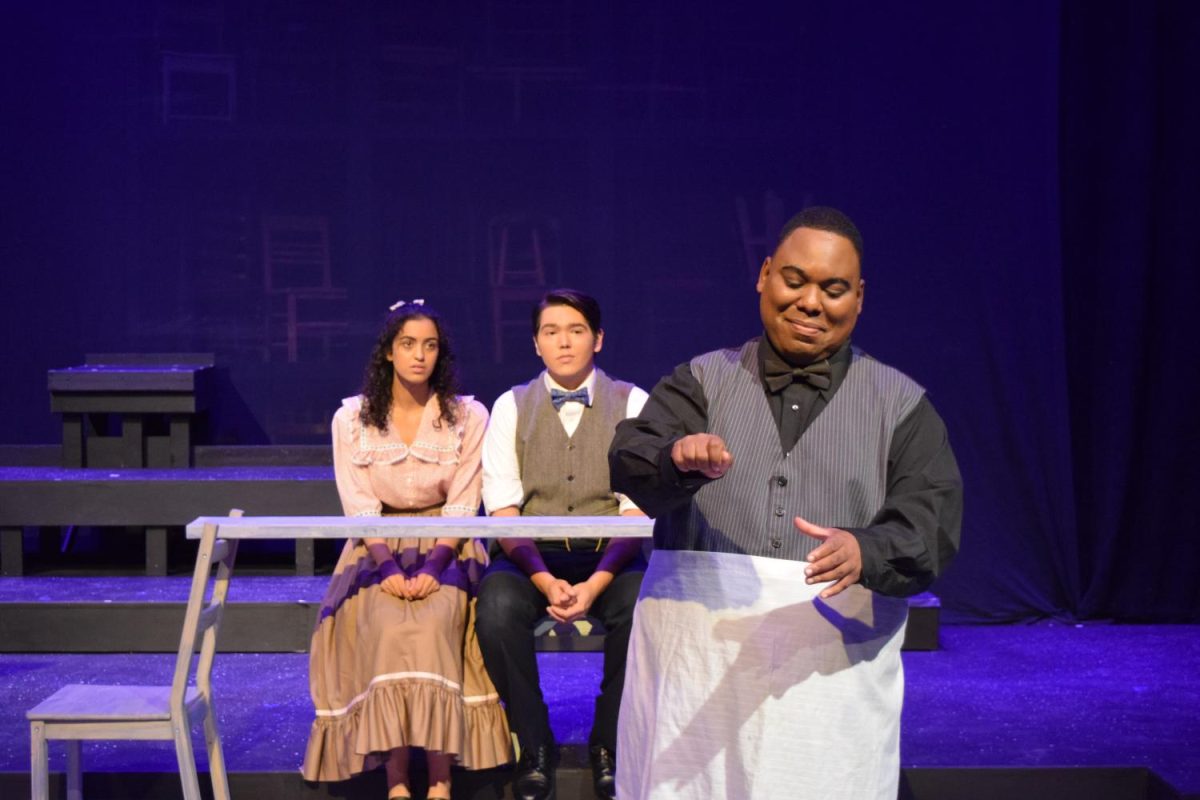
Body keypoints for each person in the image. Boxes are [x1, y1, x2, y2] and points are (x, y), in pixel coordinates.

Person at [608, 207, 963, 800]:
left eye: (833, 289)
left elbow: (933, 523)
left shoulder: (902, 405)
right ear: (765, 275)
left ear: (859, 298)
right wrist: (675, 459)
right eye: (794, 281)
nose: (810, 302)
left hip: (828, 682)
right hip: (696, 672)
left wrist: (866, 548)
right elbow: (630, 459)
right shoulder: (701, 380)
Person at [301, 300, 511, 800]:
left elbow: (464, 501)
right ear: (389, 353)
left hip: (448, 543)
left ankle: (439, 778)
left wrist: (436, 565)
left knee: (437, 623)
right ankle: (396, 777)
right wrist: (388, 565)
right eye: (408, 344)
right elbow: (357, 502)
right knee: (384, 623)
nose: (420, 356)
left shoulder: (466, 415)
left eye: (430, 345)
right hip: (377, 544)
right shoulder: (352, 419)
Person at [476, 288, 650, 800]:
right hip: (531, 551)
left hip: (609, 551)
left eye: (576, 331)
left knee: (644, 605)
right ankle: (535, 743)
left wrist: (596, 584)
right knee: (496, 608)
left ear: (597, 338)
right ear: (536, 344)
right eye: (551, 332)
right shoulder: (510, 405)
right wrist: (544, 579)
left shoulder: (632, 402)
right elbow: (504, 510)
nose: (564, 343)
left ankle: (610, 744)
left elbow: (636, 509)